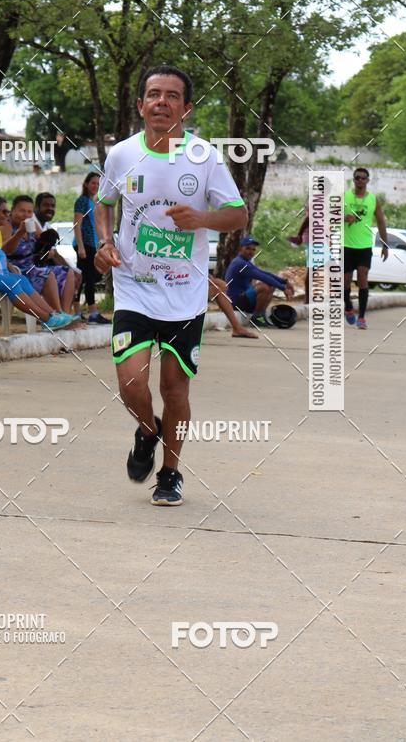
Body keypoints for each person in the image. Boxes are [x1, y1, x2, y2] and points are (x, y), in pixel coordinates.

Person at [95, 64, 247, 506]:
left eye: (172, 95)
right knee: (130, 385)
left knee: (174, 390)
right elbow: (104, 203)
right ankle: (147, 431)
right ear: (141, 104)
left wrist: (202, 218)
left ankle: (171, 473)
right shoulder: (122, 155)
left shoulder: (205, 158)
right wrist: (105, 242)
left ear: (186, 106)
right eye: (154, 94)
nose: (161, 101)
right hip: (134, 287)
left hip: (184, 293)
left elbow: (238, 215)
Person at [0, 196, 72, 329]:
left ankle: (53, 314)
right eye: (4, 211)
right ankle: (46, 319)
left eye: (7, 211)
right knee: (12, 283)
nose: (7, 215)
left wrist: (8, 265)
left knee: (21, 279)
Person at [2, 195, 76, 315]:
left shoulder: (32, 225)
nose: (26, 215)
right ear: (13, 210)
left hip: (32, 268)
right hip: (15, 270)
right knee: (47, 274)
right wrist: (19, 233)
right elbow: (5, 250)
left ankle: (65, 314)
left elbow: (45, 245)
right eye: (22, 211)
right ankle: (56, 315)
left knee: (68, 272)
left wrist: (47, 241)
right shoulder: (6, 226)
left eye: (29, 212)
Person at [343, 167, 388, 329]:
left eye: (363, 178)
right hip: (346, 246)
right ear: (353, 180)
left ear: (368, 180)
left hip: (364, 246)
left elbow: (381, 221)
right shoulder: (345, 196)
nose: (360, 180)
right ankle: (348, 307)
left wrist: (385, 244)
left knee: (363, 279)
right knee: (345, 282)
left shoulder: (373, 199)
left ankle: (361, 317)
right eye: (357, 178)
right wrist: (343, 217)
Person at [225, 237, 294, 327]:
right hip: (236, 302)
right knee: (264, 287)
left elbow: (264, 273)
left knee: (270, 285)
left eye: (253, 249)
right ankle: (256, 318)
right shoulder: (240, 263)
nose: (251, 252)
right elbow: (262, 277)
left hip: (243, 298)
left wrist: (284, 282)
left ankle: (261, 316)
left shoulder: (245, 262)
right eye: (248, 248)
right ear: (240, 249)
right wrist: (283, 288)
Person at [74, 172, 109, 325]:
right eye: (93, 183)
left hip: (92, 245)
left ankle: (76, 311)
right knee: (88, 278)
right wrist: (81, 246)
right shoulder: (82, 201)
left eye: (98, 184)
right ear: (86, 184)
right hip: (84, 245)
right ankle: (93, 312)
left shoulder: (94, 201)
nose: (96, 186)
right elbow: (77, 224)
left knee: (84, 278)